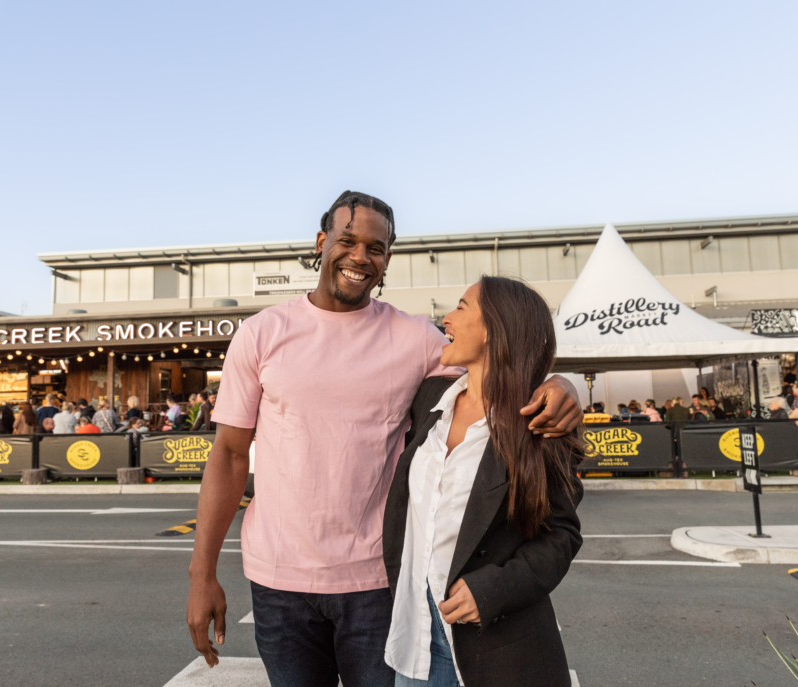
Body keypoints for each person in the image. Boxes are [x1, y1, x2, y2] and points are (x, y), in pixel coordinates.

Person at [186, 191, 582, 683]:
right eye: (347, 240)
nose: (360, 256)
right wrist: (201, 574)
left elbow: (499, 360)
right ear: (321, 241)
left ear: (387, 259)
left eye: (376, 248)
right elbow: (227, 455)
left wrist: (567, 385)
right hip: (277, 582)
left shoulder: (415, 339)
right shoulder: (262, 333)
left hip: (376, 584)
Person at [383, 277, 584, 686]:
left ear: (494, 327)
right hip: (415, 638)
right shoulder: (430, 398)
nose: (447, 318)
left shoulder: (539, 423)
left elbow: (561, 535)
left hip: (498, 650)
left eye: (460, 306)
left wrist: (493, 590)